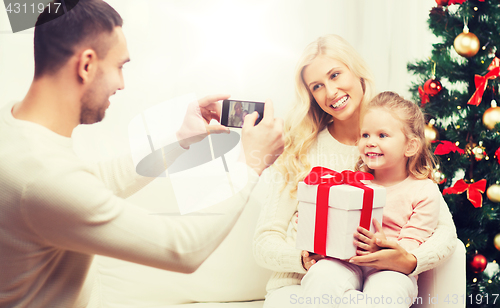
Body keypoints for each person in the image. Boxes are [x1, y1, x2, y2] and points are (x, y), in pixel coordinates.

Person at [0, 1, 284, 307]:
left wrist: (180, 139)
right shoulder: (42, 178)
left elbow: (96, 180)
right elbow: (184, 249)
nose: (121, 84)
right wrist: (252, 162)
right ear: (86, 65)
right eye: (120, 66)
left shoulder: (15, 128)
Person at [252, 34, 457, 308]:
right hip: (300, 283)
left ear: (357, 73)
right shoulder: (300, 149)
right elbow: (264, 240)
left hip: (381, 276)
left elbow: (444, 232)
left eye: (335, 75)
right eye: (317, 86)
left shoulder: (395, 142)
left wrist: (410, 260)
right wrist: (303, 258)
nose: (330, 92)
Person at [298, 91, 441, 308]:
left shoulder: (423, 191)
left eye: (382, 135)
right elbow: (334, 226)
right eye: (365, 135)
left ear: (410, 146)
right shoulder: (352, 183)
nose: (370, 142)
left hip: (391, 269)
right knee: (320, 276)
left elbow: (411, 246)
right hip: (346, 261)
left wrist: (384, 250)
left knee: (388, 292)